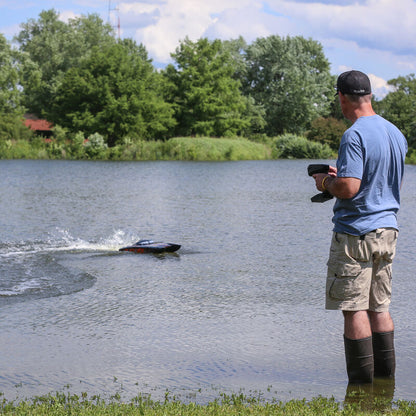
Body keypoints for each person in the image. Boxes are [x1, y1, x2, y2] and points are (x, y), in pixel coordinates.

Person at [312, 70, 408, 384]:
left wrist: (326, 182)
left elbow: (350, 188)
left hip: (356, 234)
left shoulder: (354, 134)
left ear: (342, 97)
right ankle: (385, 385)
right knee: (379, 307)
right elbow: (380, 181)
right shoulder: (395, 133)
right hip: (388, 231)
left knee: (354, 309)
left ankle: (361, 389)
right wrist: (344, 176)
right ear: (369, 96)